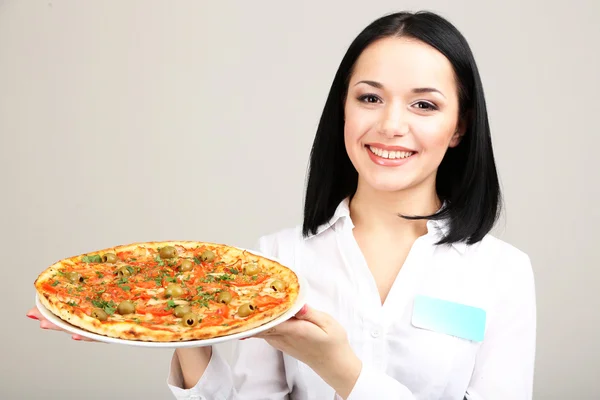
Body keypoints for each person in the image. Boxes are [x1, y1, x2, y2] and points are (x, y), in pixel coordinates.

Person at [27, 10, 536, 400]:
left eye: (424, 104)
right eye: (369, 98)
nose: (390, 126)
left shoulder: (503, 273)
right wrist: (176, 323)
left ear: (460, 126)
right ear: (343, 108)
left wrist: (343, 370)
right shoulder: (277, 262)